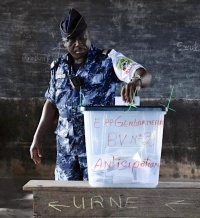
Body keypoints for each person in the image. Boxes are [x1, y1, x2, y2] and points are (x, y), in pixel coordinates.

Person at [30, 8, 152, 181]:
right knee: (66, 201)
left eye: (82, 37)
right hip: (66, 153)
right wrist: (37, 137)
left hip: (99, 151)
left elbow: (144, 75)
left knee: (98, 201)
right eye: (71, 40)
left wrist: (135, 81)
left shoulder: (109, 59)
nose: (78, 44)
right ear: (64, 42)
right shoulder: (58, 67)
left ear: (89, 34)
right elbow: (51, 104)